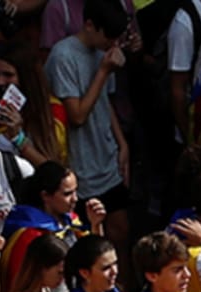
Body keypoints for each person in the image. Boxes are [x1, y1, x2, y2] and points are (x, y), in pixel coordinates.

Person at [44, 0, 129, 244]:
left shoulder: (104, 53)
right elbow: (77, 115)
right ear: (90, 25)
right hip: (82, 164)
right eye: (108, 37)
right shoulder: (63, 57)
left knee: (121, 231)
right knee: (91, 238)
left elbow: (104, 102)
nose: (112, 44)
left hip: (107, 159)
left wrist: (122, 144)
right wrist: (103, 71)